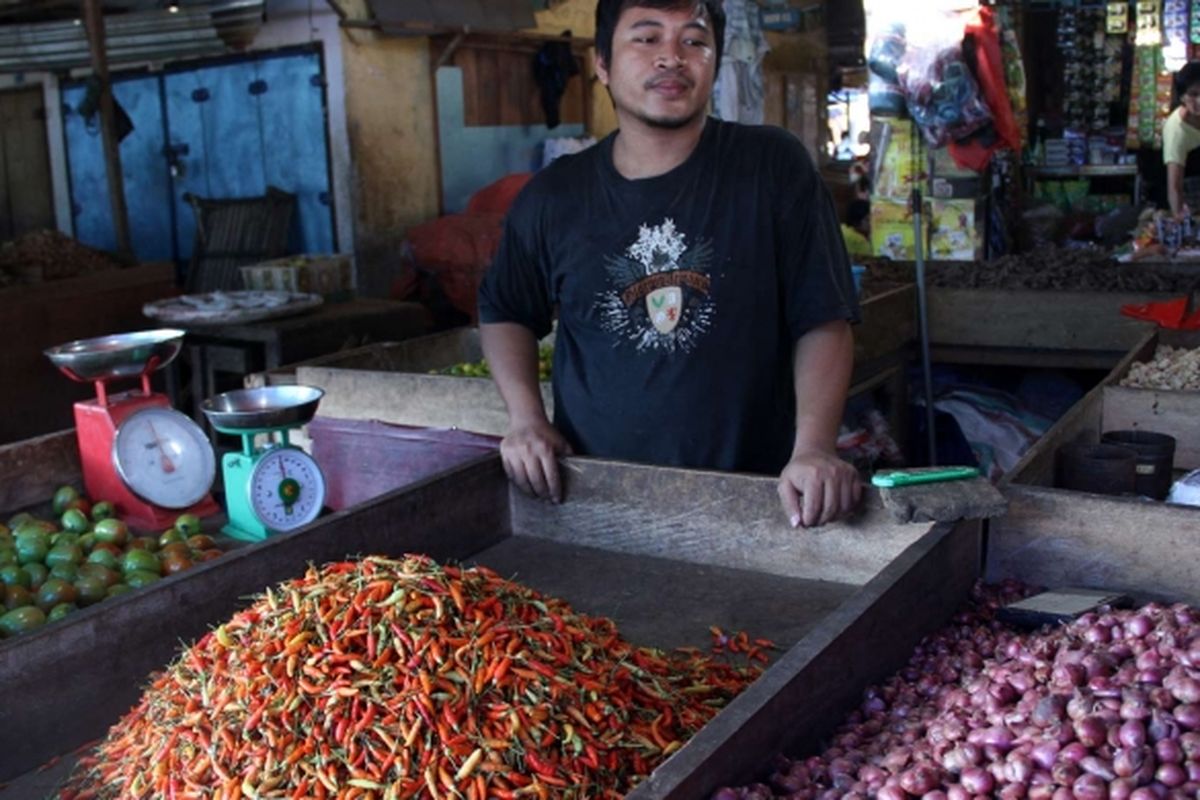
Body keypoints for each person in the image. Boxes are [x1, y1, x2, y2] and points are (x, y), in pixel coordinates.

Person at [477, 0, 862, 528]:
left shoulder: (772, 167)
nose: (672, 58)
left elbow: (823, 317)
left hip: (759, 501)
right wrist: (525, 419)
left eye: (694, 41)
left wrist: (815, 448)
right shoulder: (555, 197)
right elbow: (506, 310)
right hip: (592, 499)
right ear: (604, 64)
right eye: (647, 38)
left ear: (715, 62)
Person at [1163, 61, 1200, 217]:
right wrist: (1180, 222)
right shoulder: (1177, 130)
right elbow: (1175, 186)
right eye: (1194, 94)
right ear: (1182, 97)